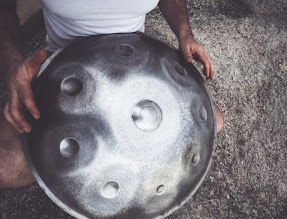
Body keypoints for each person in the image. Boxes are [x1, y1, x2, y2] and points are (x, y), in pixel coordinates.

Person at [0, 0, 224, 188]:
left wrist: (185, 33)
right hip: (63, 70)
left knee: (208, 124)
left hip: (135, 64)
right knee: (6, 168)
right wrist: (13, 65)